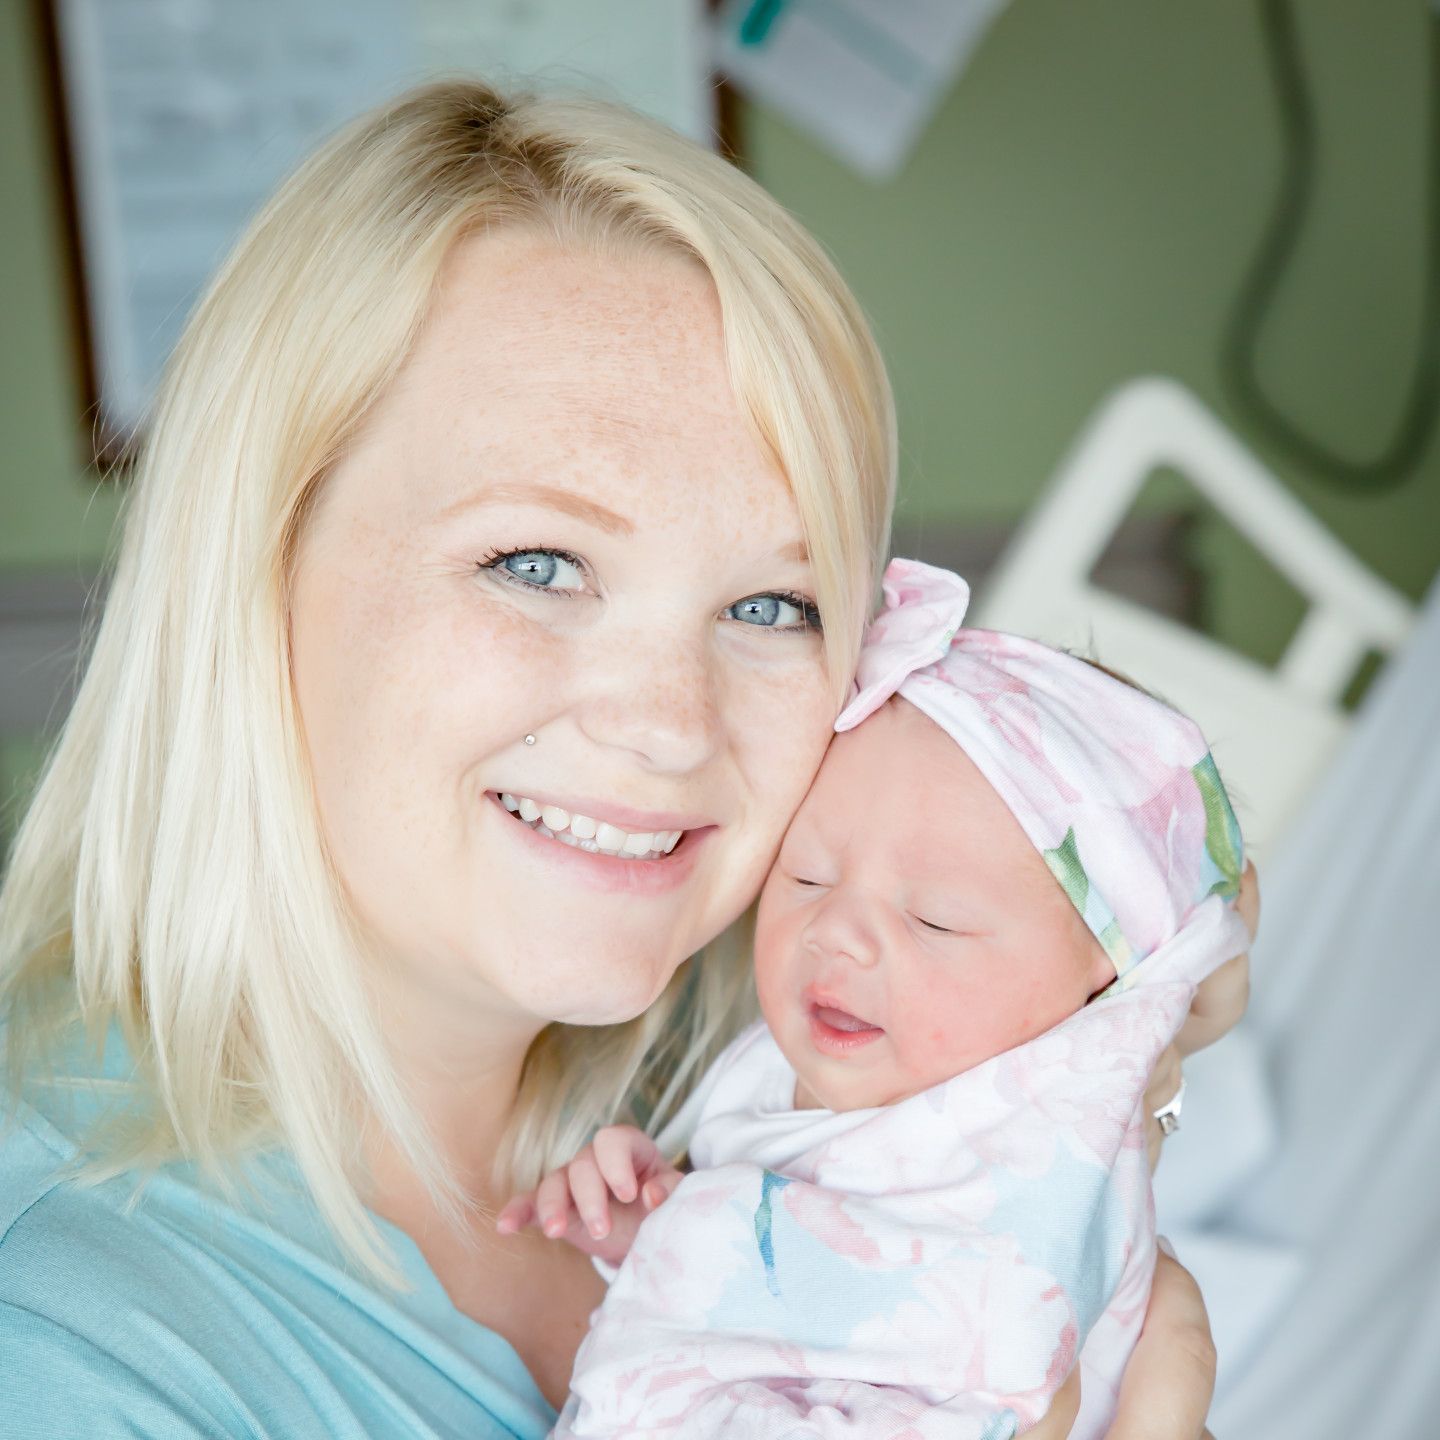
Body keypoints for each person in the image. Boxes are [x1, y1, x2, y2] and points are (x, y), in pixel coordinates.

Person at [0, 80, 1254, 1438]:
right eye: (536, 563)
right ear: (249, 566)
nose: (670, 722)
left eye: (774, 605)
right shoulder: (68, 1344)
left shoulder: (765, 1133)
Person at [499, 559, 1251, 1439]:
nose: (836, 933)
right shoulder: (828, 1074)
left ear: (1112, 986)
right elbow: (789, 1297)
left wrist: (695, 1238)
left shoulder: (1044, 1162)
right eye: (807, 873)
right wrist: (664, 1227)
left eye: (934, 920)